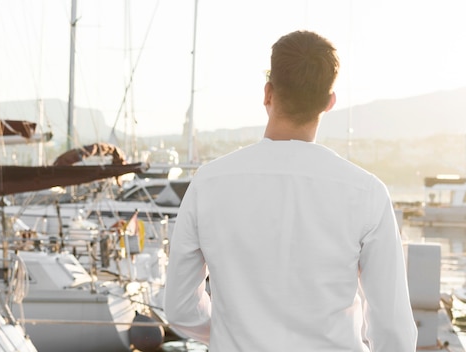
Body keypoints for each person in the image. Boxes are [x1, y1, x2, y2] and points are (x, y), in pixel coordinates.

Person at [163, 30, 417, 351]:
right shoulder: (366, 192)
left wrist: (233, 335)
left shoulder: (208, 183)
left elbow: (180, 308)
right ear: (329, 103)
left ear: (268, 93)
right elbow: (393, 330)